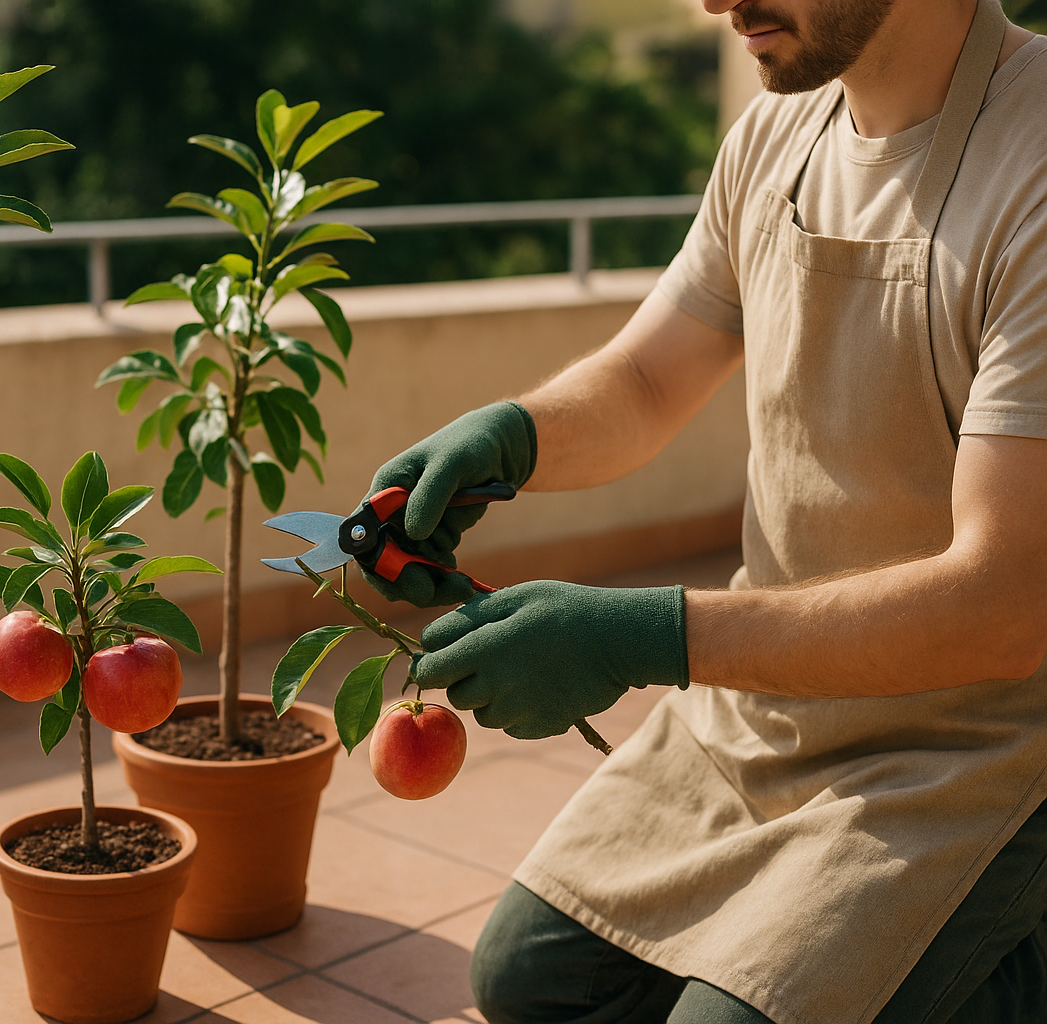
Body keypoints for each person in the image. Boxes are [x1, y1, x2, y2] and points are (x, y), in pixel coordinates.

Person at [362, 0, 1047, 1021]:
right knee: (528, 979)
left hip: (977, 751)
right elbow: (645, 381)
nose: (714, 0)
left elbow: (1002, 604)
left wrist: (639, 633)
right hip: (764, 711)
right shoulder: (776, 133)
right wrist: (508, 439)